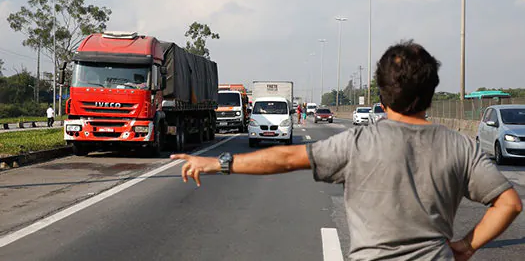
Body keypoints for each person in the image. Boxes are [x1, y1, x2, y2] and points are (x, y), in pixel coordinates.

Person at [171, 41, 522, 260]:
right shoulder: (459, 145)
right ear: (431, 92)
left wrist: (218, 163)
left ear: (381, 95)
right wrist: (467, 245)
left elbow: (284, 157)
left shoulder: (359, 142)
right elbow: (509, 202)